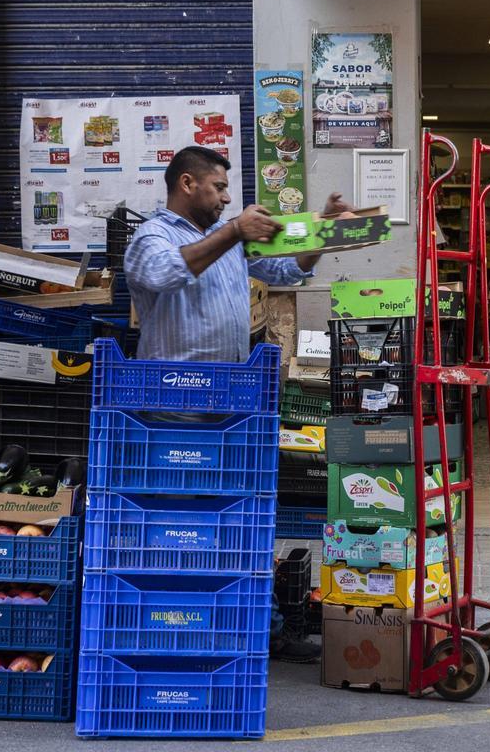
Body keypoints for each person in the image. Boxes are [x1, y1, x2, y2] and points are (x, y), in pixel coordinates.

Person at [125, 145, 347, 664]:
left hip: (230, 402)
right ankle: (178, 623)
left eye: (227, 189)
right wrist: (233, 231)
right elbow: (161, 276)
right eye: (218, 187)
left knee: (241, 520)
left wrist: (327, 231)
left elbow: (289, 271)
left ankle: (256, 628)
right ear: (187, 184)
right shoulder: (151, 237)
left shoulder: (229, 241)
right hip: (174, 407)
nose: (226, 196)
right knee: (181, 521)